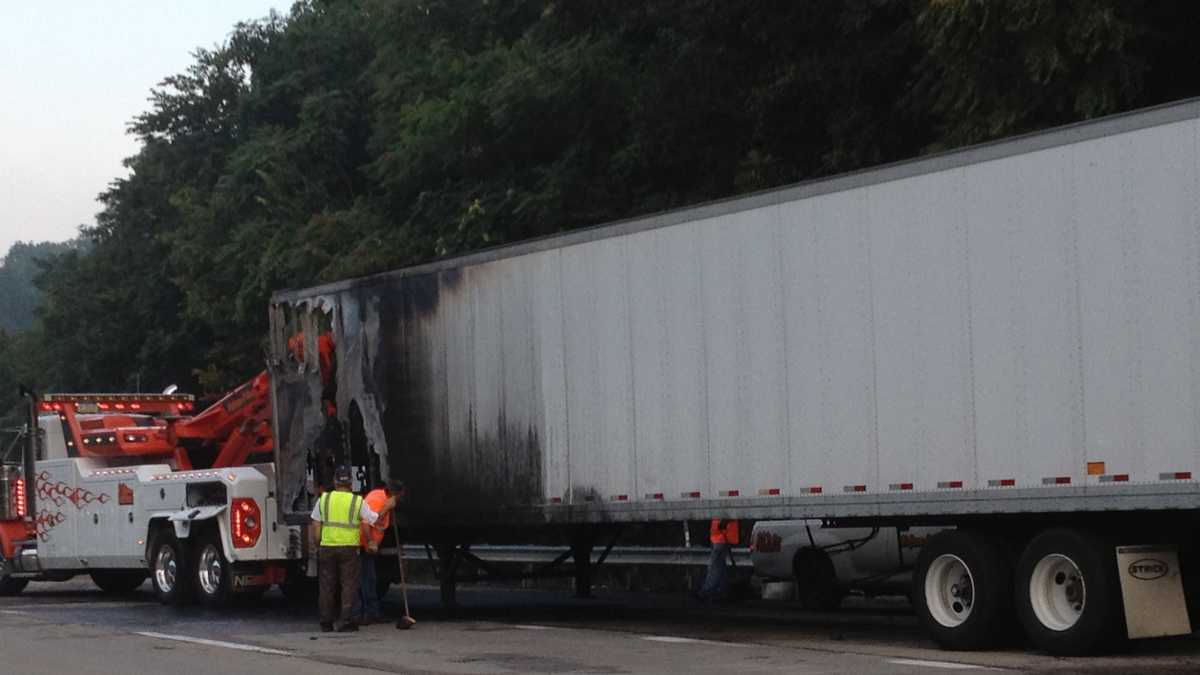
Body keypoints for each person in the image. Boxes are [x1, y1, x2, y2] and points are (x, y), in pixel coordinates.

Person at [310, 465, 385, 632]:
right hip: (349, 549)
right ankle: (345, 620)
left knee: (327, 585)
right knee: (348, 585)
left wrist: (318, 544)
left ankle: (325, 622)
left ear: (335, 482)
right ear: (351, 483)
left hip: (327, 547)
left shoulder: (324, 499)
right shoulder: (357, 501)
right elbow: (373, 520)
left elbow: (315, 525)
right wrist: (388, 505)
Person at [352, 480, 400, 625]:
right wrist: (370, 542)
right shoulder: (378, 500)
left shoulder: (381, 498)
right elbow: (366, 523)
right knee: (364, 580)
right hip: (362, 544)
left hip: (366, 545)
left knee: (369, 579)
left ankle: (371, 612)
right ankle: (365, 613)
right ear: (395, 495)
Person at [696, 518, 739, 601]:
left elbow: (731, 514)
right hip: (718, 536)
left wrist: (723, 523)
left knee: (715, 565)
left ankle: (707, 590)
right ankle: (721, 590)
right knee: (720, 566)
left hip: (722, 537)